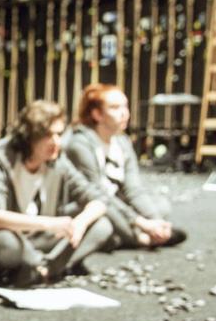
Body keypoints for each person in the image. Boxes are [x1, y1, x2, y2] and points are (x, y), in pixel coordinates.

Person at [0, 99, 110, 286]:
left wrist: (80, 223)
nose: (56, 141)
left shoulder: (57, 160)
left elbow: (97, 198)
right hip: (2, 239)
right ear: (30, 136)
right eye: (48, 135)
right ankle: (32, 266)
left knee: (101, 225)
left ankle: (44, 270)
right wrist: (49, 224)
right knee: (5, 243)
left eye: (59, 134)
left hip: (37, 239)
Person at [65, 83, 187, 249]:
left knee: (161, 205)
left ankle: (141, 234)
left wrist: (156, 221)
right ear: (97, 114)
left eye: (125, 106)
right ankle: (140, 239)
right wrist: (141, 223)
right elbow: (97, 194)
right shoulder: (80, 144)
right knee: (103, 219)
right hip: (91, 204)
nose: (124, 113)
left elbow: (133, 189)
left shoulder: (122, 142)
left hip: (118, 203)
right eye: (115, 108)